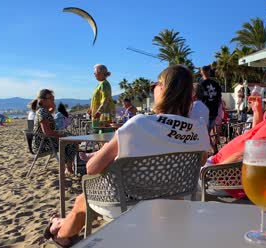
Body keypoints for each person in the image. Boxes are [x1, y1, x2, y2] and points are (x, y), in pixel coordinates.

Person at [44, 65, 211, 246]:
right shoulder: (200, 130)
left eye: (154, 85)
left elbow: (91, 168)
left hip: (127, 204)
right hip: (174, 202)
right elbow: (199, 164)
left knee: (81, 200)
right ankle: (60, 224)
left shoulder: (139, 123)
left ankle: (61, 236)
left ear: (163, 88)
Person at [31, 89, 77, 174]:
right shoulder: (42, 112)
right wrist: (63, 136)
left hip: (46, 141)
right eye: (51, 98)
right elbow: (47, 132)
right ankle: (69, 168)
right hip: (42, 145)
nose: (53, 100)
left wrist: (53, 108)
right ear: (43, 100)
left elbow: (48, 117)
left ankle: (70, 166)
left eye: (53, 98)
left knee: (71, 138)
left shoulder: (44, 111)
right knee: (71, 142)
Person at [88, 64, 115, 131]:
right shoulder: (100, 84)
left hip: (103, 117)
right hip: (99, 117)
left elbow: (105, 99)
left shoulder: (104, 84)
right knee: (99, 136)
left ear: (100, 73)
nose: (94, 74)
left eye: (95, 72)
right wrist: (91, 109)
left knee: (102, 137)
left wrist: (99, 112)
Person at [199, 65, 222, 132]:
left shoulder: (200, 84)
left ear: (201, 72)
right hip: (213, 111)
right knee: (208, 132)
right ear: (209, 72)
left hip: (203, 112)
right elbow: (219, 99)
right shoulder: (216, 84)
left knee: (203, 133)